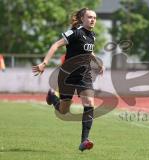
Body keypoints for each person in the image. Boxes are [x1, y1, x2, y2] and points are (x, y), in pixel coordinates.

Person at [32, 8, 103, 151]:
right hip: (67, 76)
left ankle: (84, 141)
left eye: (94, 17)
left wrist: (98, 62)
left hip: (84, 75)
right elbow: (56, 45)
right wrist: (44, 63)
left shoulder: (92, 36)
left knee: (89, 102)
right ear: (82, 18)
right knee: (64, 110)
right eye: (89, 17)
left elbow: (89, 51)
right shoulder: (75, 32)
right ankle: (53, 98)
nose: (92, 20)